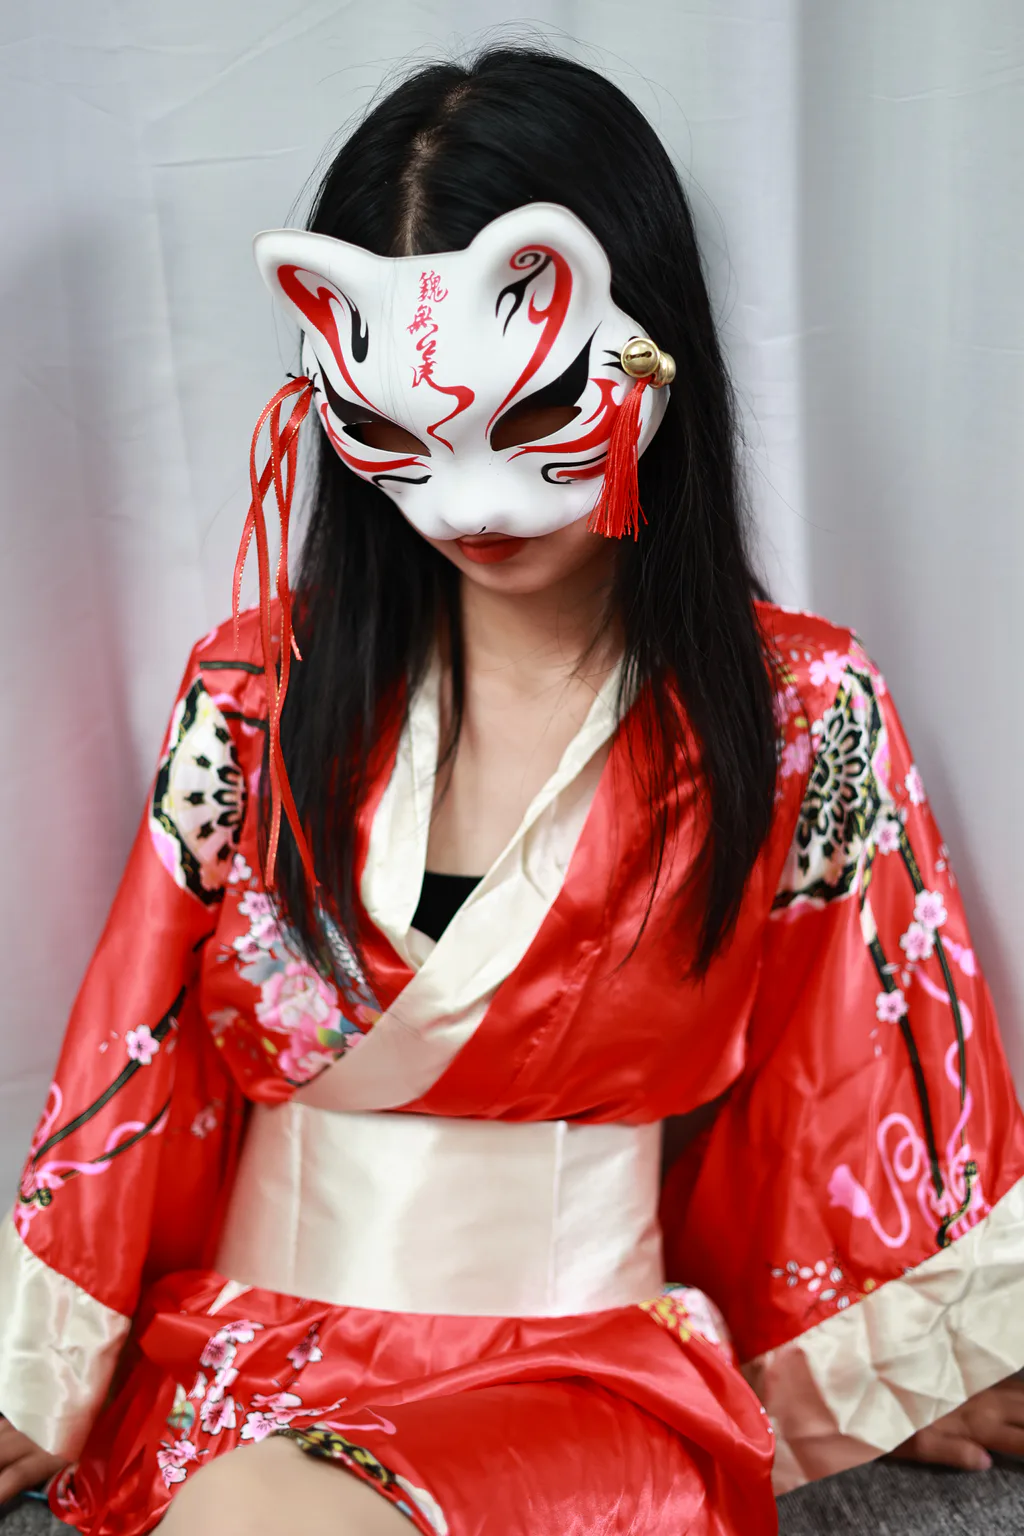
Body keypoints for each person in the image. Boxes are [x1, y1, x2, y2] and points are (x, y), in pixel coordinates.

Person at [1, 45, 1023, 1536]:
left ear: (652, 353)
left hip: (580, 1372)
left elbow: (853, 1067)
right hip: (241, 1363)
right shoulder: (260, 691)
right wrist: (39, 1365)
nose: (469, 500)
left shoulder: (801, 712)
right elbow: (136, 1056)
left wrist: (917, 1351)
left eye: (531, 418)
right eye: (400, 435)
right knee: (248, 1499)